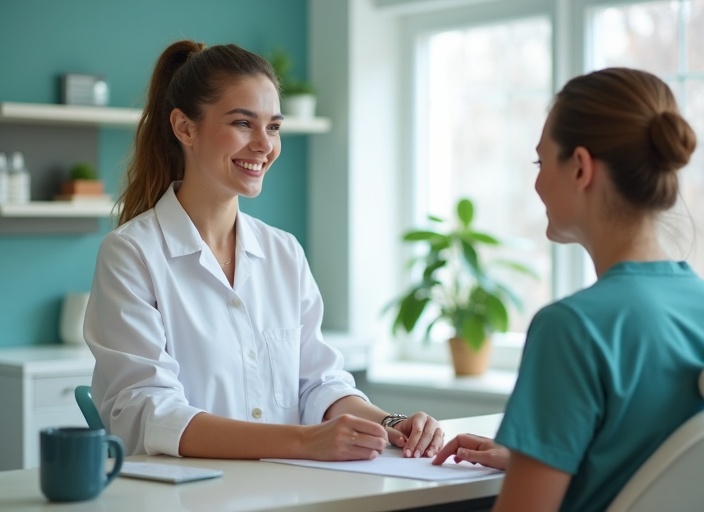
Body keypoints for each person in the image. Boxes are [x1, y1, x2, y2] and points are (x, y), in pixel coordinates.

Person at [84, 39, 443, 461]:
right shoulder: (131, 254)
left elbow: (318, 383)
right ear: (184, 128)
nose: (264, 145)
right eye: (242, 123)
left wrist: (390, 425)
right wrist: (305, 442)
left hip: (285, 490)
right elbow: (150, 412)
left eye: (273, 127)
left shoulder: (283, 252)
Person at [433, 67, 704, 511]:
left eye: (541, 162)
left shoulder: (573, 329)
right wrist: (538, 462)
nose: (537, 182)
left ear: (580, 167)